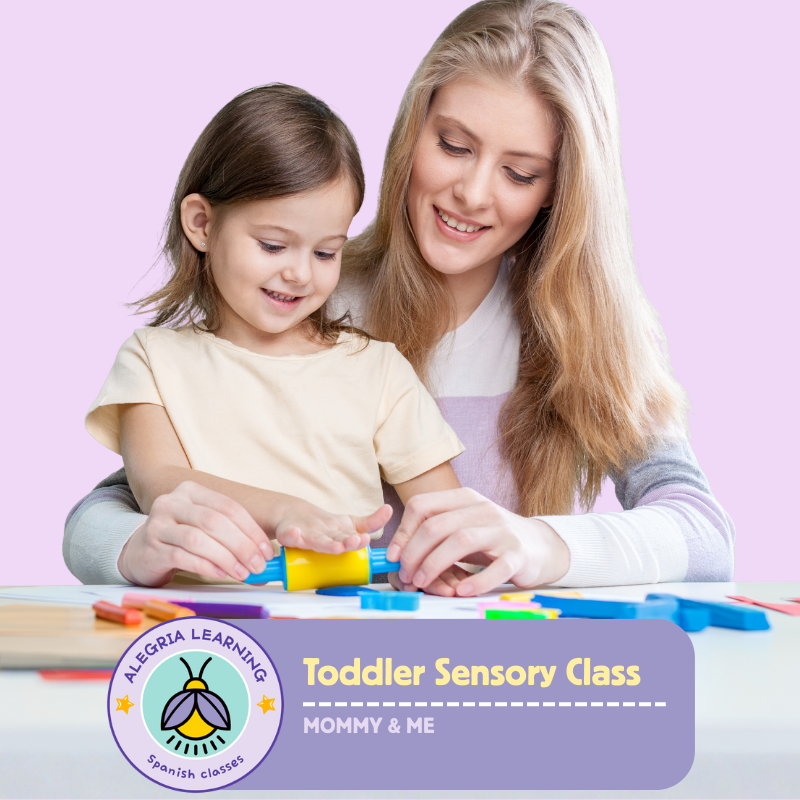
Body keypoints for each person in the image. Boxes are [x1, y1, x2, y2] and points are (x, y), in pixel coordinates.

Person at [65, 0, 734, 593]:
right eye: (453, 145)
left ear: (560, 189)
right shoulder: (305, 301)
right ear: (414, 129)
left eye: (519, 172)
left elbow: (704, 533)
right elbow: (125, 501)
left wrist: (541, 545)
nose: (472, 193)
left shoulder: (594, 332)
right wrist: (136, 547)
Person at [80, 84, 464, 587]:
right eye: (273, 245)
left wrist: (441, 565)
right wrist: (284, 511)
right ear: (201, 224)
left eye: (325, 252)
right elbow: (162, 486)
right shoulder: (152, 361)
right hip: (204, 625)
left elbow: (448, 519)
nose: (301, 274)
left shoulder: (378, 370)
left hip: (342, 627)